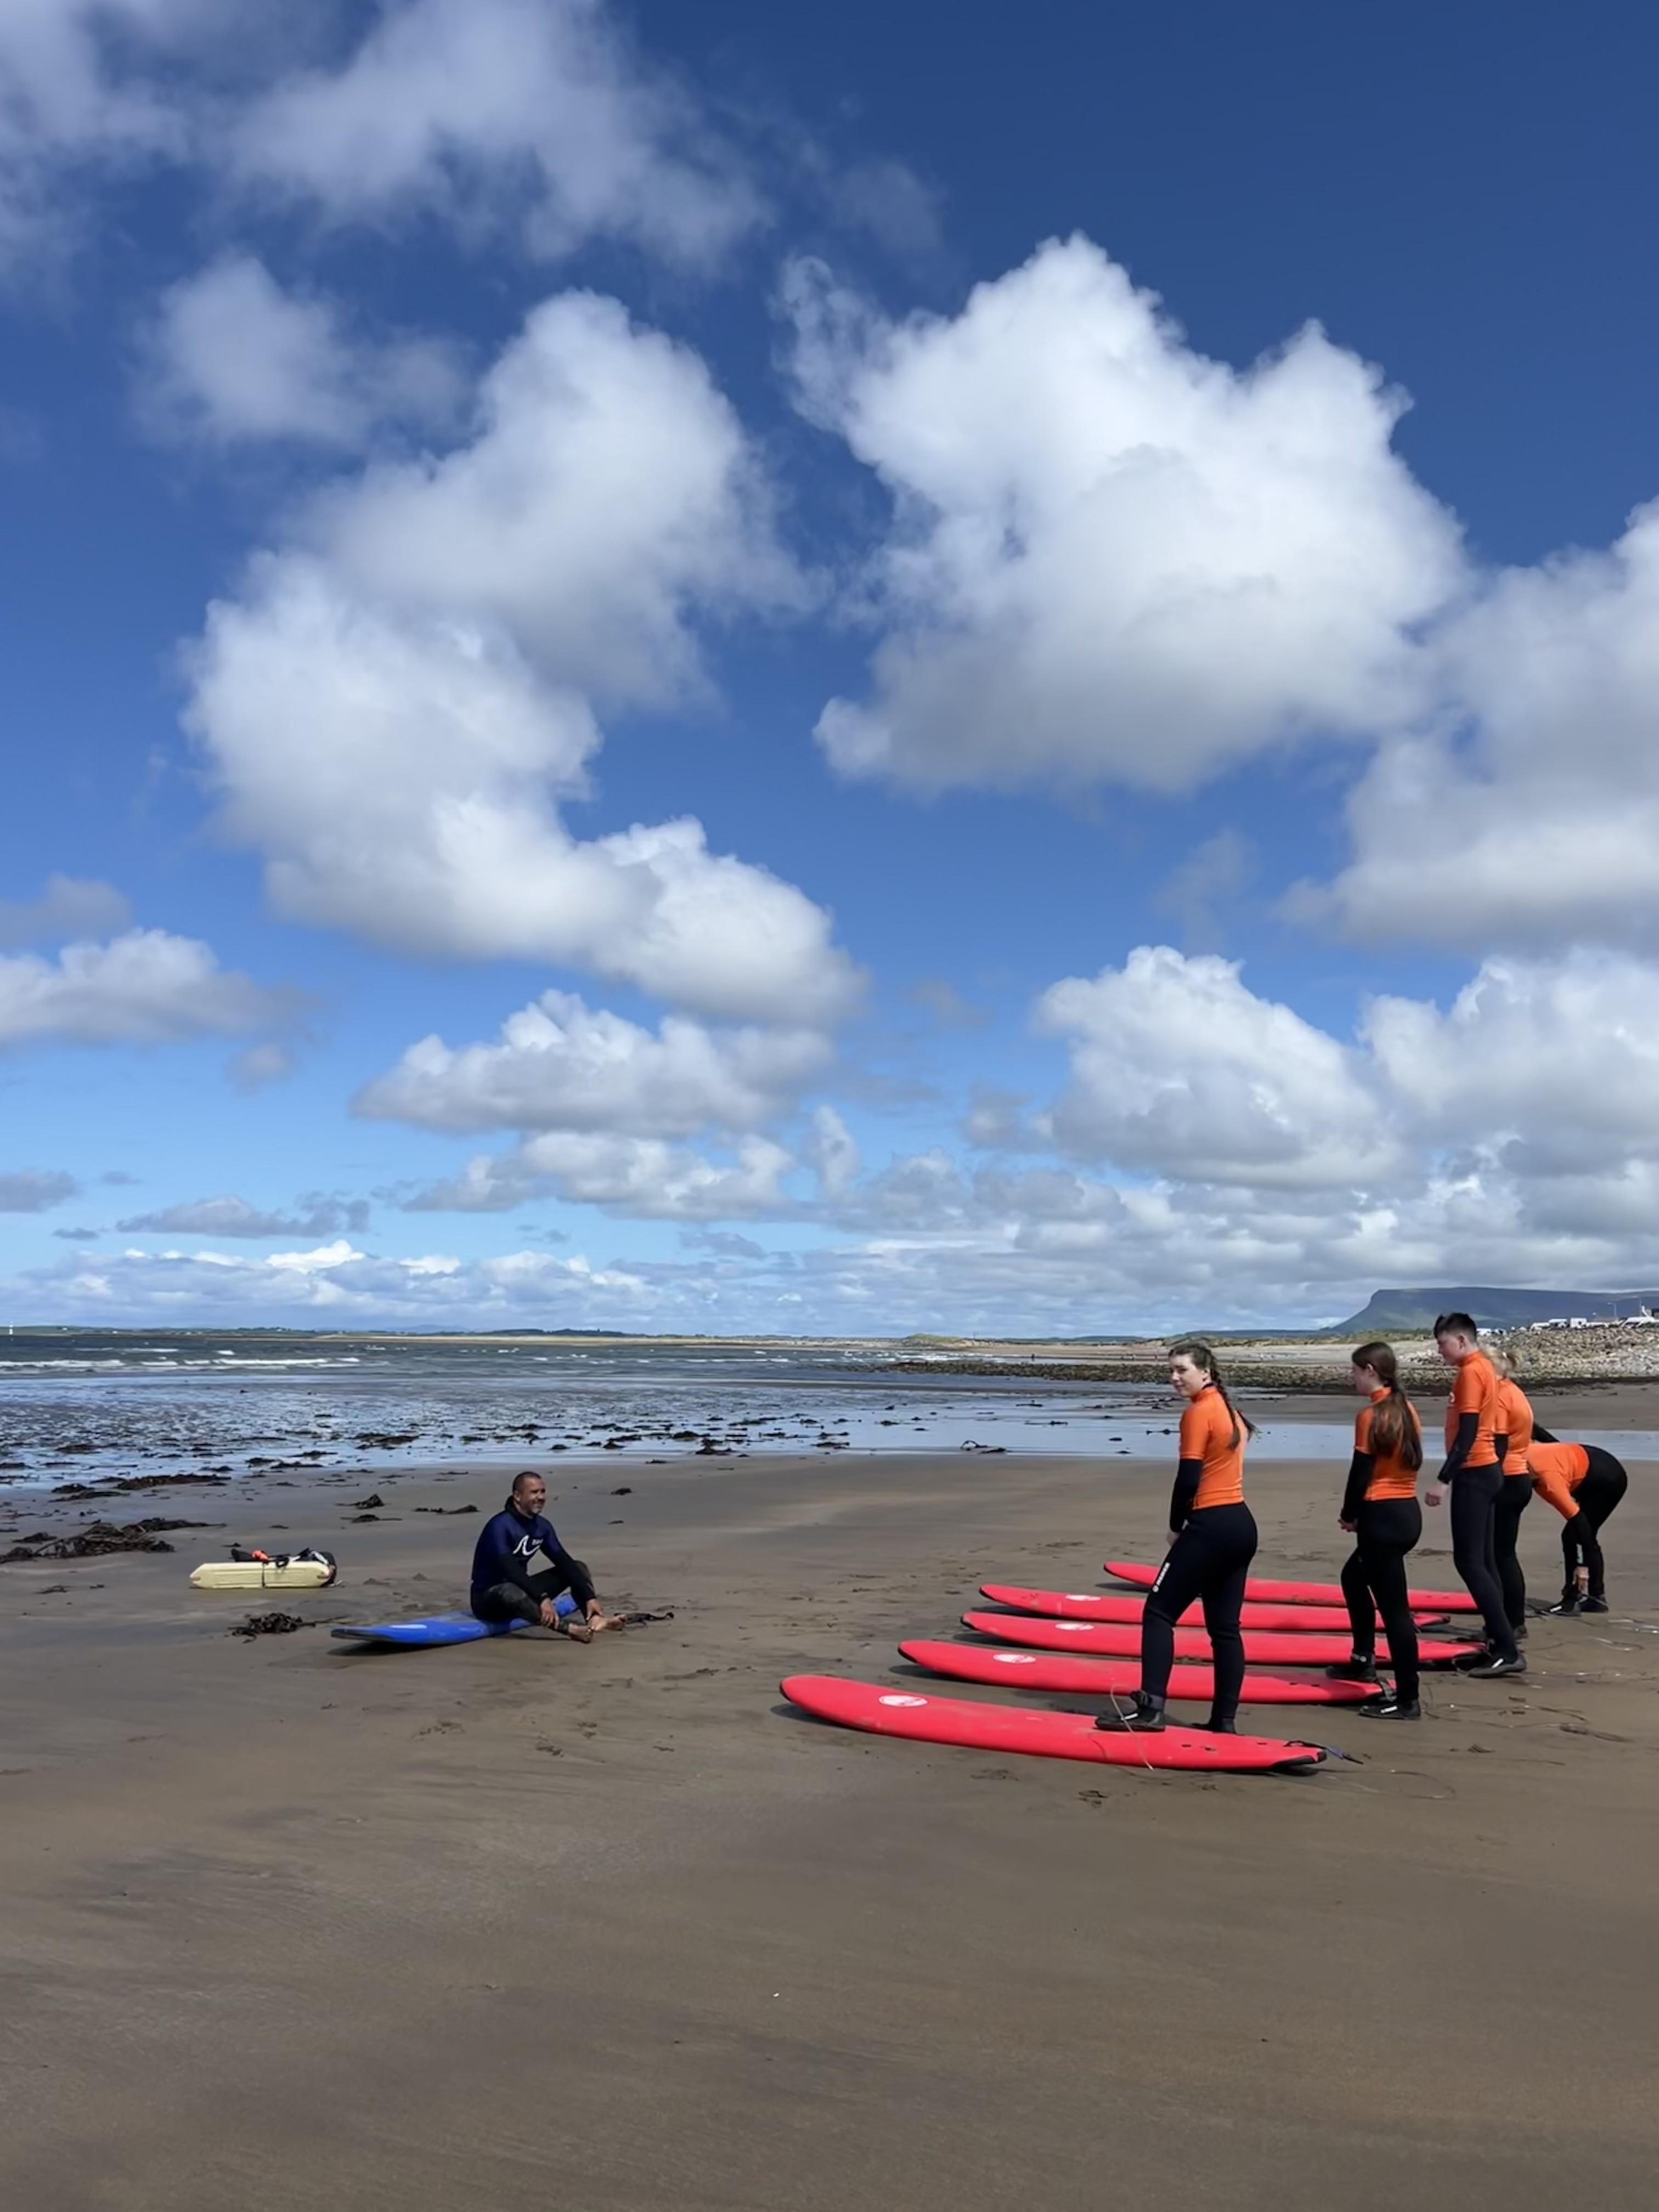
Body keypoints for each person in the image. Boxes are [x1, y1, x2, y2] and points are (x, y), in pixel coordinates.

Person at [1097, 1340, 1258, 1736]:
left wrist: (1175, 1526)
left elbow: (1188, 1480)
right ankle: (1224, 1721)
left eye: (1182, 1369)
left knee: (1158, 1612)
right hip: (1240, 1525)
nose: (1174, 1377)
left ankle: (1151, 1709)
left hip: (1210, 1525)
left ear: (1205, 1371)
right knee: (1225, 1629)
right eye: (1171, 1370)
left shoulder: (1199, 1413)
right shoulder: (1231, 1412)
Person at [1327, 1340, 1423, 1719]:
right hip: (1407, 1514)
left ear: (1370, 1370)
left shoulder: (1371, 1416)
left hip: (1381, 1518)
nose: (1351, 1377)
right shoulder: (1406, 1409)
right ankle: (1362, 1659)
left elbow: (1360, 1474)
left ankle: (1408, 1700)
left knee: (1395, 1612)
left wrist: (1350, 1515)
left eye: (1354, 1371)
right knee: (1353, 1578)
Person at [1425, 1312, 1523, 1675]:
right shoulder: (1485, 1368)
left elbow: (1468, 1432)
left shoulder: (1471, 1372)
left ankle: (1508, 1650)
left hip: (1474, 1472)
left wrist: (1444, 1480)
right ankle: (1498, 1640)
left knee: (1469, 1562)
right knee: (1483, 1560)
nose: (1440, 1351)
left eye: (1443, 1344)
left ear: (1462, 1340)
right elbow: (1492, 1432)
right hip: (1487, 1470)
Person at [470, 1472, 623, 1639]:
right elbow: (511, 1570)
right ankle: (569, 1629)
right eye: (534, 1492)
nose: (541, 1497)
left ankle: (595, 1620)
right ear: (518, 1496)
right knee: (510, 1590)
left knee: (578, 1568)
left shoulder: (542, 1527)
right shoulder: (499, 1526)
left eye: (543, 1492)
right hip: (487, 1600)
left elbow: (563, 1561)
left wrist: (590, 1597)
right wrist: (542, 1598)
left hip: (521, 1590)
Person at [1528, 1440, 1630, 1615]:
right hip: (1587, 1463)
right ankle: (1597, 1598)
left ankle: (1572, 1600)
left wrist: (1582, 1567)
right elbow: (1537, 1432)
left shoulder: (1549, 1483)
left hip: (1608, 1480)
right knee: (1575, 1535)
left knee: (1574, 1535)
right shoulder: (1519, 1453)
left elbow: (1579, 1522)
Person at [1491, 1355, 1537, 1641]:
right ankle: (1513, 1621)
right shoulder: (1514, 1391)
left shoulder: (1499, 1396)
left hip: (1506, 1479)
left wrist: (1486, 1482)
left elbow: (1498, 1444)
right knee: (1504, 1554)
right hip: (1518, 1476)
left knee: (1499, 1556)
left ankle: (1509, 1623)